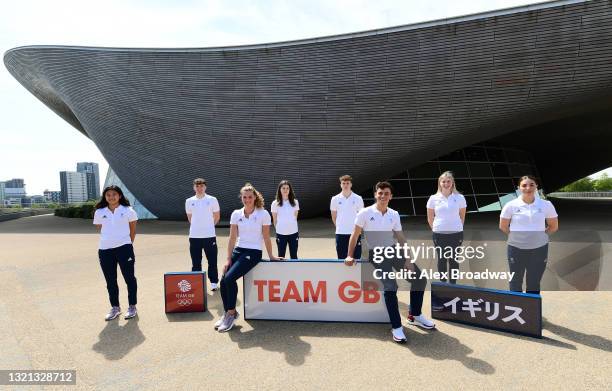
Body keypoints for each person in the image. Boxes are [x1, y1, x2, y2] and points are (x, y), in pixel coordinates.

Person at [345, 181, 435, 343]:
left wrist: (408, 259)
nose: (383, 196)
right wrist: (349, 255)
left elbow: (400, 238)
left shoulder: (393, 214)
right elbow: (355, 234)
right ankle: (397, 327)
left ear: (391, 196)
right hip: (375, 253)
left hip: (393, 250)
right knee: (391, 286)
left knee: (420, 278)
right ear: (375, 195)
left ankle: (415, 314)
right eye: (380, 193)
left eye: (386, 193)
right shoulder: (364, 213)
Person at [215, 183, 282, 332]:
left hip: (253, 252)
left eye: (250, 197)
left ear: (255, 197)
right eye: (244, 197)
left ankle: (231, 314)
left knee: (230, 278)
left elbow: (266, 237)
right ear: (242, 198)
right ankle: (228, 313)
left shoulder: (263, 214)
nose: (247, 199)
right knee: (223, 279)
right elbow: (232, 238)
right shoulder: (236, 214)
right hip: (238, 250)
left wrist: (271, 255)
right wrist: (228, 259)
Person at [499, 175, 558, 294]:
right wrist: (517, 237)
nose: (528, 188)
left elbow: (553, 226)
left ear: (536, 186)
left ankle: (531, 310)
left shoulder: (546, 205)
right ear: (519, 188)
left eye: (531, 184)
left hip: (539, 249)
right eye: (524, 185)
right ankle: (516, 308)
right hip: (515, 248)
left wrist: (540, 236)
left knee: (534, 281)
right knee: (515, 280)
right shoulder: (510, 205)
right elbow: (503, 226)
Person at [93, 185, 139, 321]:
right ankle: (115, 307)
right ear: (105, 197)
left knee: (129, 278)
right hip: (105, 250)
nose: (111, 197)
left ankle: (132, 306)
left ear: (119, 195)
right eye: (108, 195)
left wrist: (127, 243)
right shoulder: (99, 212)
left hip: (124, 248)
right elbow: (99, 227)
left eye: (114, 194)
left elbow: (133, 229)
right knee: (110, 280)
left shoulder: (128, 210)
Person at [426, 171, 467, 284]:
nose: (446, 183)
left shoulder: (460, 198)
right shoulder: (433, 198)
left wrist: (457, 227)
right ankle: (443, 285)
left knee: (454, 260)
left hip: (456, 234)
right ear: (440, 183)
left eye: (448, 181)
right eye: (443, 181)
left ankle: (453, 285)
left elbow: (462, 216)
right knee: (442, 260)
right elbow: (430, 218)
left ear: (452, 183)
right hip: (439, 235)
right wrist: (436, 229)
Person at [185, 178, 220, 291]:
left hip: (209, 236)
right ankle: (196, 284)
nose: (199, 188)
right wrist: (198, 227)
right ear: (194, 187)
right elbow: (190, 218)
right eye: (197, 186)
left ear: (205, 187)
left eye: (202, 186)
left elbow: (217, 216)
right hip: (194, 236)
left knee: (212, 260)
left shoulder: (212, 199)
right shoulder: (189, 201)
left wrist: (209, 226)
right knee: (196, 262)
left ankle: (214, 282)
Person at [330, 175, 364, 259]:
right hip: (340, 233)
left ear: (351, 184)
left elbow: (361, 216)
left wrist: (358, 230)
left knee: (356, 259)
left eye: (347, 183)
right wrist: (339, 227)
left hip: (355, 233)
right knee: (341, 259)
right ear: (340, 185)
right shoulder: (335, 199)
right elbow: (334, 216)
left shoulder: (358, 198)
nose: (345, 185)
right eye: (343, 183)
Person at [271, 180, 300, 259]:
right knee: (281, 256)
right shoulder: (275, 203)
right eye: (283, 188)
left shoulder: (295, 202)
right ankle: (281, 272)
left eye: (287, 188)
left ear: (290, 190)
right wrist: (280, 230)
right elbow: (275, 220)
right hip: (281, 234)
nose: (285, 190)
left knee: (294, 256)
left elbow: (295, 217)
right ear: (280, 189)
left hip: (293, 233)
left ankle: (294, 271)